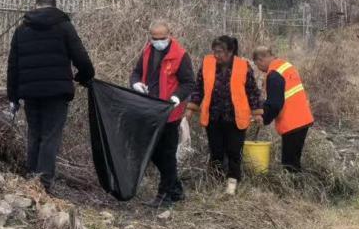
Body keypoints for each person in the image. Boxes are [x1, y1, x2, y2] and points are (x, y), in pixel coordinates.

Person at [6, 0, 95, 194]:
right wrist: (84, 77)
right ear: (54, 6)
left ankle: (31, 179)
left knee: (34, 134)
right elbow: (81, 58)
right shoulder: (64, 26)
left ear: (36, 6)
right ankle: (43, 184)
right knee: (50, 137)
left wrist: (13, 96)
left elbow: (13, 65)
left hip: (30, 92)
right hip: (57, 92)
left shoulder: (21, 29)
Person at [130, 20, 197, 207]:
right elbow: (136, 73)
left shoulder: (180, 55)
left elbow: (188, 82)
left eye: (162, 38)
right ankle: (175, 188)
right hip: (149, 110)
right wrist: (136, 83)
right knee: (151, 151)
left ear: (170, 35)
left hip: (169, 113)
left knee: (167, 153)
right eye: (154, 38)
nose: (158, 42)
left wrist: (176, 98)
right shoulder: (147, 51)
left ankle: (164, 195)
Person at [188, 35, 262, 195]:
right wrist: (191, 107)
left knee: (234, 152)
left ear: (230, 51)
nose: (216, 55)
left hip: (236, 117)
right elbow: (198, 87)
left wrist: (257, 113)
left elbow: (252, 91)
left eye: (220, 52)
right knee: (216, 152)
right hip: (213, 117)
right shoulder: (207, 63)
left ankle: (232, 183)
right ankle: (215, 182)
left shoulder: (243, 66)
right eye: (214, 51)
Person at [252, 46, 314, 173]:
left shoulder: (274, 74)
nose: (260, 69)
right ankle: (297, 182)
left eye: (257, 65)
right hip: (302, 119)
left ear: (260, 60)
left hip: (292, 123)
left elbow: (275, 104)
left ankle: (294, 185)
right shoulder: (285, 66)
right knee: (294, 161)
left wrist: (263, 118)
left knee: (289, 165)